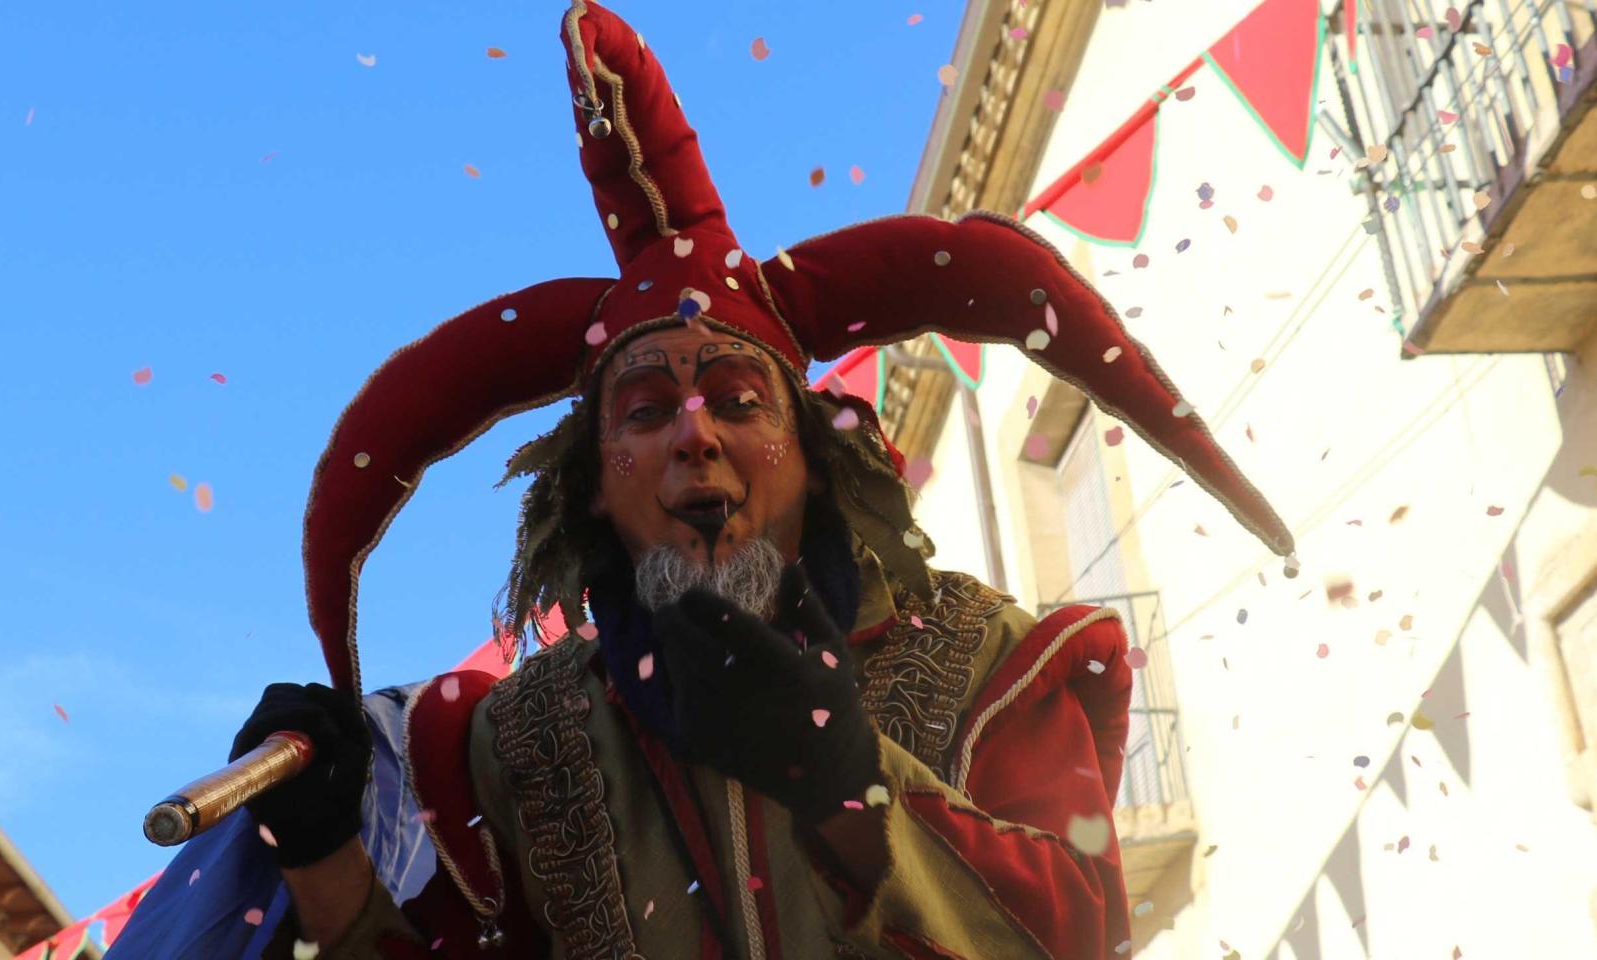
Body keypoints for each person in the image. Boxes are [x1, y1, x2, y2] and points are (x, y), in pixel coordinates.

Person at [110, 3, 1297, 957]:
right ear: (590, 487)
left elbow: (1079, 932)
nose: (693, 434)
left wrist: (848, 787)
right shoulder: (517, 743)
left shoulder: (988, 661)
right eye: (644, 410)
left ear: (817, 456)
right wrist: (321, 850)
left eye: (735, 400)